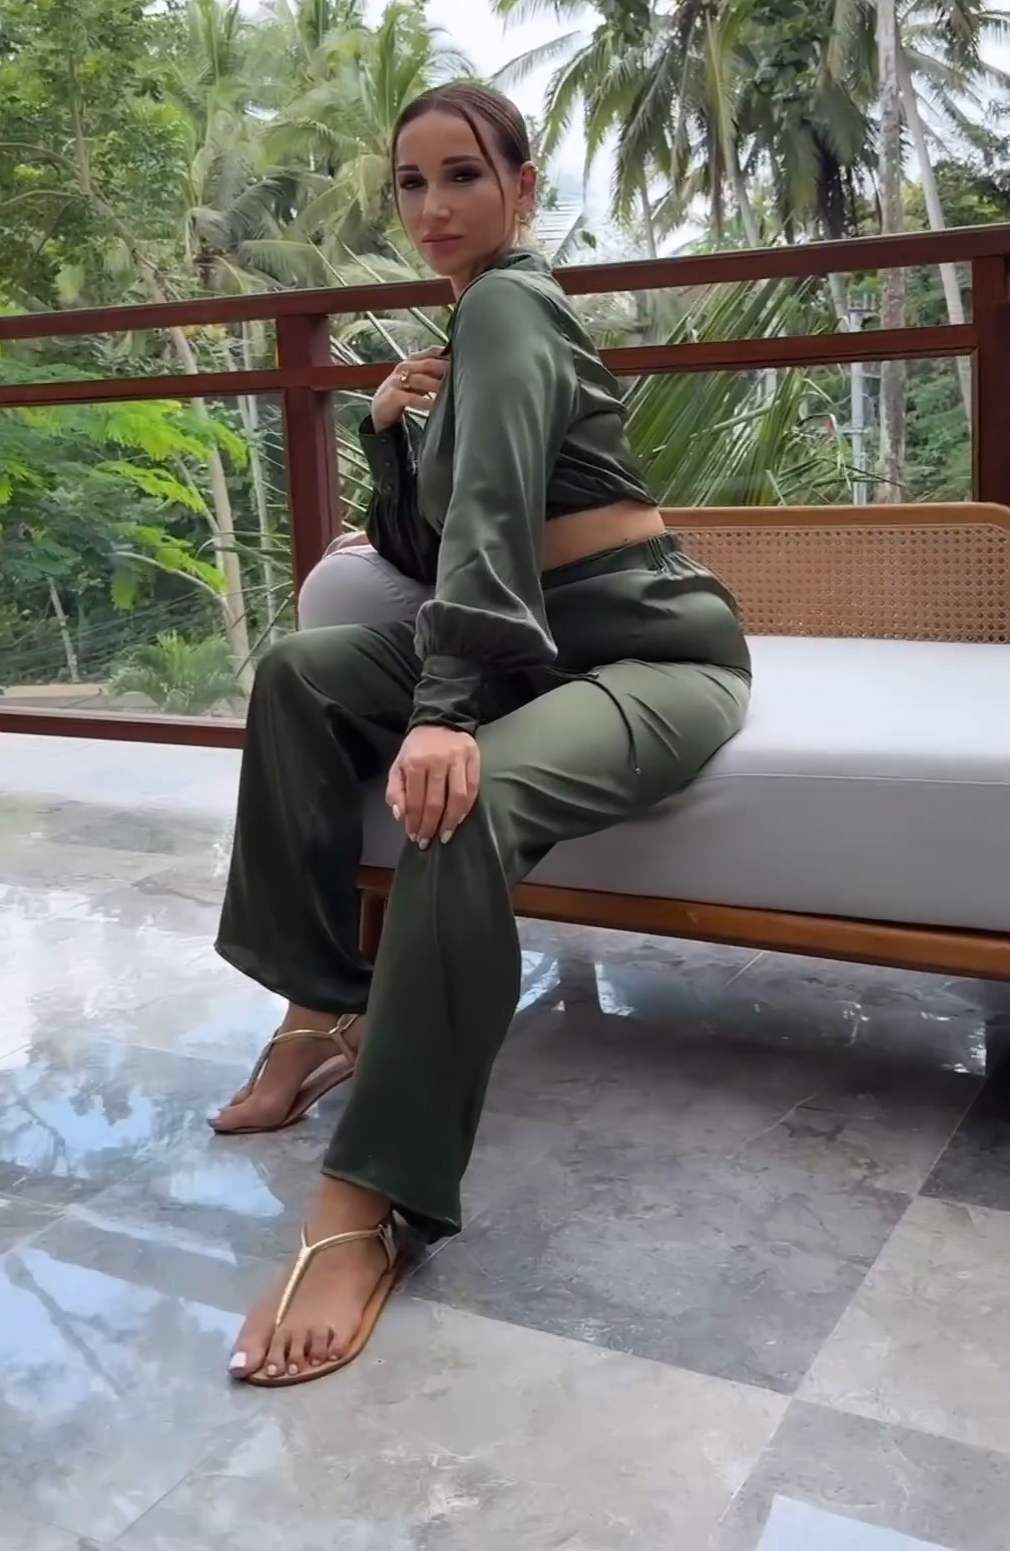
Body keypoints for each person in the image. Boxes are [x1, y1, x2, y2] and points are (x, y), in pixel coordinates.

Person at [212, 82, 751, 1387]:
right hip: (529, 654)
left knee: (464, 800)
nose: (434, 206)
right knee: (299, 674)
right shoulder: (460, 342)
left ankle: (367, 1203)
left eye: (463, 174)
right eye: (412, 182)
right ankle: (321, 1008)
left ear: (521, 184)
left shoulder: (515, 301)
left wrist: (445, 713)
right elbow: (424, 544)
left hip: (650, 651)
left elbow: (500, 518)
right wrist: (391, 436)